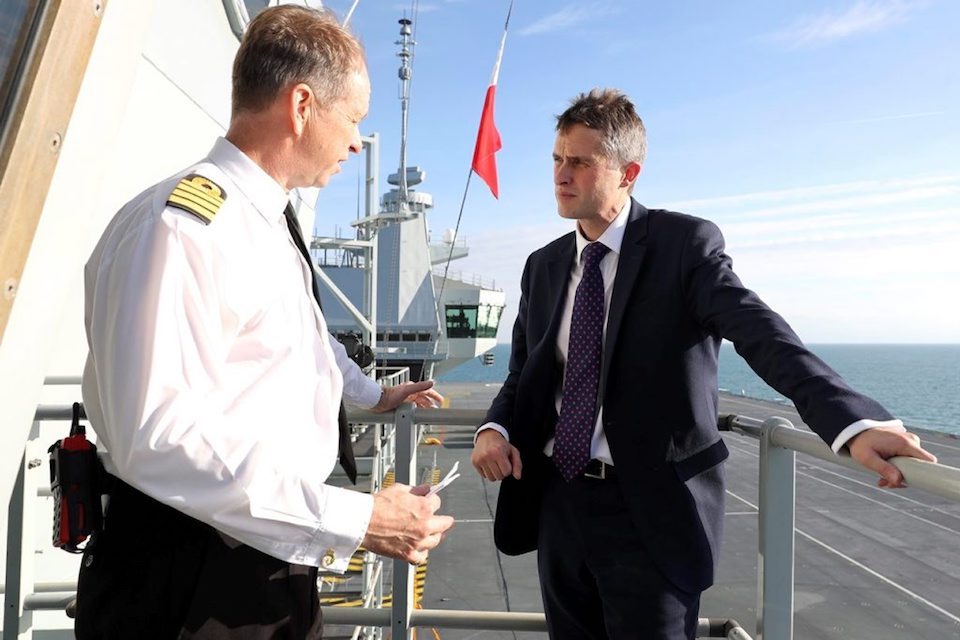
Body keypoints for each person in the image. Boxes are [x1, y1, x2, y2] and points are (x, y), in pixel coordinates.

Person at [470, 88, 938, 640]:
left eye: (581, 161)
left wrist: (850, 421)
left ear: (628, 172)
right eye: (556, 159)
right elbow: (523, 369)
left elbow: (761, 335)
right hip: (558, 503)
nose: (561, 174)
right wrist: (494, 428)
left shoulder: (683, 246)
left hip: (648, 514)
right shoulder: (543, 266)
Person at [76, 6, 454, 638]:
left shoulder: (263, 222)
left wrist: (371, 392)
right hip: (194, 574)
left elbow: (301, 338)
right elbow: (159, 437)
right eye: (354, 118)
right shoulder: (184, 226)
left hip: (264, 552)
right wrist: (356, 520)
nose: (357, 141)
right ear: (302, 105)